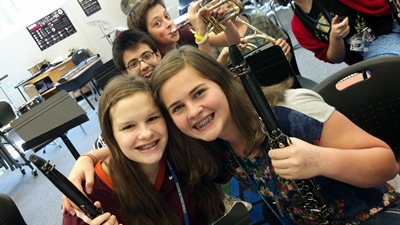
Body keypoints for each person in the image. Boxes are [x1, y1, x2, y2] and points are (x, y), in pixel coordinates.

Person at [150, 46, 400, 224]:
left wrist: (318, 161)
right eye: (178, 107)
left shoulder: (291, 111)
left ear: (224, 82)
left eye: (199, 93)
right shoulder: (211, 143)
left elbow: (387, 163)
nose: (194, 111)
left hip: (372, 214)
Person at [63, 75, 227, 225]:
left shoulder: (182, 153)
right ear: (111, 135)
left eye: (153, 118)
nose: (146, 133)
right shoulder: (89, 195)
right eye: (128, 126)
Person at [283, 0, 400, 65]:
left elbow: (380, 5)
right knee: (389, 65)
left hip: (390, 20)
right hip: (370, 44)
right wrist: (335, 38)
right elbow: (336, 58)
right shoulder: (299, 26)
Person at [126, 0, 241, 57]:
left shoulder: (184, 33)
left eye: (167, 16)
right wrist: (201, 34)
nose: (169, 23)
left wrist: (226, 22)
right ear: (146, 35)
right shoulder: (156, 63)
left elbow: (233, 42)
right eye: (157, 23)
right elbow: (209, 75)